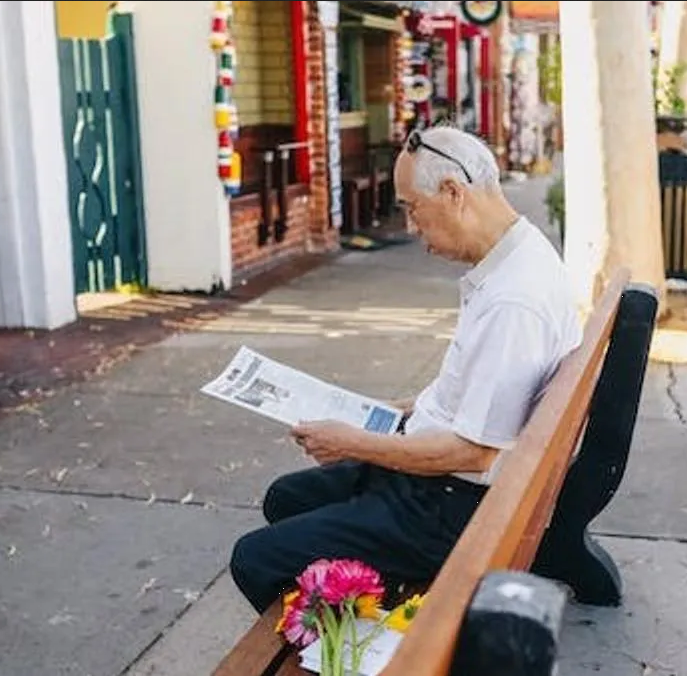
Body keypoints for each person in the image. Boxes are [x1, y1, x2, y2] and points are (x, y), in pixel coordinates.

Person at [229, 126, 583, 614]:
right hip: (443, 479)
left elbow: (474, 453)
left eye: (413, 209)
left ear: (453, 193)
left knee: (254, 558)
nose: (412, 228)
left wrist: (352, 443)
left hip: (449, 507)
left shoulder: (513, 301)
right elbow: (476, 389)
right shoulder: (517, 254)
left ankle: (348, 640)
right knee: (286, 498)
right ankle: (348, 605)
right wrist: (398, 409)